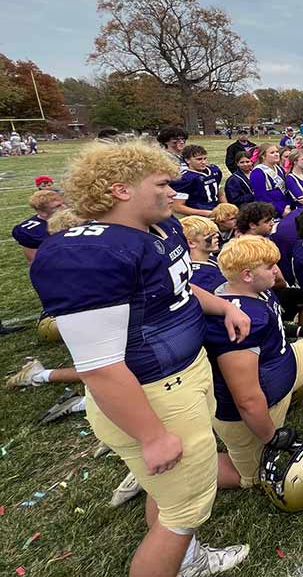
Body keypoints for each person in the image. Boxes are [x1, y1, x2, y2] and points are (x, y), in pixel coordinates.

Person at [29, 140, 251, 577]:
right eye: (164, 184)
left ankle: (188, 560)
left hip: (181, 378)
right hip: (154, 393)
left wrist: (224, 306)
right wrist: (151, 435)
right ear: (121, 190)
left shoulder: (157, 230)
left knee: (171, 498)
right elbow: (99, 366)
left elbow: (179, 289)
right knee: (183, 512)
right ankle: (177, 557)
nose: (175, 193)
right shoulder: (89, 253)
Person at [207, 235, 303, 495]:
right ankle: (185, 467)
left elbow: (272, 323)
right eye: (269, 267)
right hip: (256, 403)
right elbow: (246, 397)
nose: (277, 271)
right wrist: (271, 436)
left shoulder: (253, 290)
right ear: (246, 274)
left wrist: (300, 331)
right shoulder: (238, 321)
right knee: (255, 477)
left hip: (283, 365)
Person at [171, 145, 225, 217]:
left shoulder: (214, 170)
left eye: (205, 158)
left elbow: (220, 193)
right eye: (199, 159)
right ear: (187, 160)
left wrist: (226, 207)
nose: (203, 162)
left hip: (216, 211)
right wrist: (207, 213)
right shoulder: (184, 178)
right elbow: (177, 207)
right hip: (198, 216)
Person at [11, 189, 63, 264]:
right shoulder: (31, 231)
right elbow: (34, 262)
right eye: (58, 206)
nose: (64, 207)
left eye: (63, 203)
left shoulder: (73, 217)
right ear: (42, 212)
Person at [181, 216, 226, 293]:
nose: (217, 235)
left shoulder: (212, 259)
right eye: (208, 234)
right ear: (191, 243)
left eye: (215, 233)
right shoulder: (197, 277)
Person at [249, 143, 290, 218]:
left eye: (277, 152)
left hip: (286, 208)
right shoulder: (258, 172)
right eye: (272, 153)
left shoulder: (279, 169)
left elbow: (286, 190)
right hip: (270, 211)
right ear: (263, 156)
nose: (276, 154)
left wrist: (288, 205)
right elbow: (261, 197)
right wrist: (281, 211)